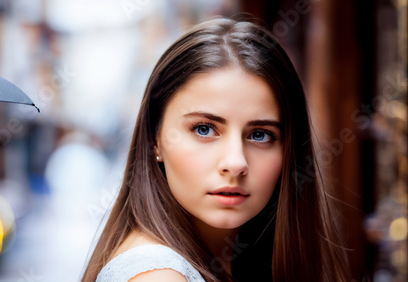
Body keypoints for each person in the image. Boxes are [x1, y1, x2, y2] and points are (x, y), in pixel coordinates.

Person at [81, 18, 350, 282]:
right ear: (155, 139)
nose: (235, 163)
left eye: (260, 135)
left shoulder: (238, 258)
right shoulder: (159, 276)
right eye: (204, 129)